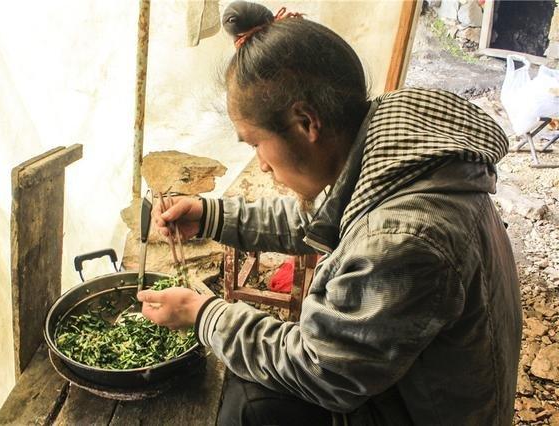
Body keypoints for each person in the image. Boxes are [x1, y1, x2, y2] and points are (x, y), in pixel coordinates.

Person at [137, 1, 522, 424]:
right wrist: (211, 216)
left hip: (434, 414)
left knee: (249, 403)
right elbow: (322, 219)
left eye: (256, 143)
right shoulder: (390, 146)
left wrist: (203, 313)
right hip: (422, 379)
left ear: (306, 122)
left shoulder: (403, 237)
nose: (261, 164)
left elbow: (322, 370)